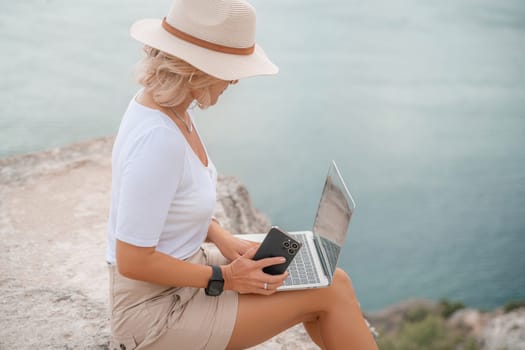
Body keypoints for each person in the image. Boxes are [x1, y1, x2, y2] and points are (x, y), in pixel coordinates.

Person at [106, 0, 379, 349]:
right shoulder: (159, 140)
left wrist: (220, 237)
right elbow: (132, 260)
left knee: (328, 279)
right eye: (229, 67)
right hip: (155, 314)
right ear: (196, 69)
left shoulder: (166, 108)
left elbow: (166, 207)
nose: (235, 79)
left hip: (181, 275)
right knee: (329, 293)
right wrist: (226, 278)